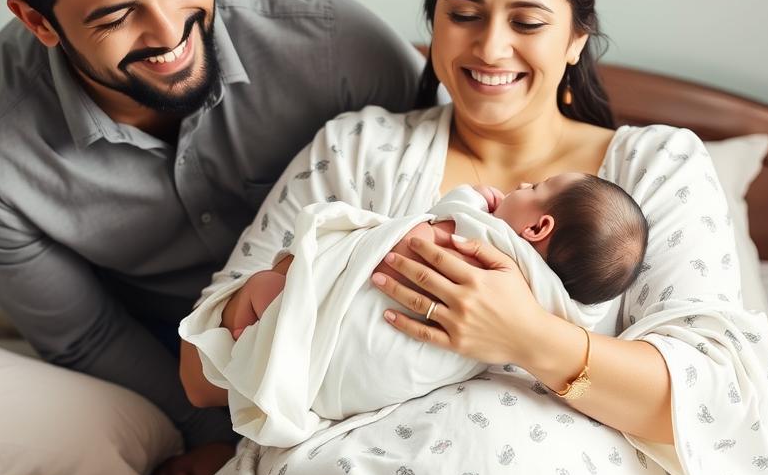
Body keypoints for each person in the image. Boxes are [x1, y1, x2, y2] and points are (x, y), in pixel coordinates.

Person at [181, 0, 768, 475]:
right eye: (464, 14)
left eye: (527, 23)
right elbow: (198, 374)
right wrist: (282, 295)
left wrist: (526, 337)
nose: (491, 48)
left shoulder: (655, 168)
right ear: (433, 21)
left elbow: (713, 405)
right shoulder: (361, 148)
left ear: (576, 38)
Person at [0, 0, 422, 475]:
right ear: (38, 21)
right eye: (113, 16)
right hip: (162, 347)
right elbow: (88, 336)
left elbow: (460, 169)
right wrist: (213, 434)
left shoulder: (337, 50)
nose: (170, 33)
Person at [179, 174, 647, 447]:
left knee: (268, 288)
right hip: (361, 389)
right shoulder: (564, 308)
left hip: (336, 351)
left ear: (538, 226)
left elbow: (438, 224)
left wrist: (471, 199)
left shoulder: (488, 239)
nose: (522, 184)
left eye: (536, 186)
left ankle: (261, 341)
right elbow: (196, 381)